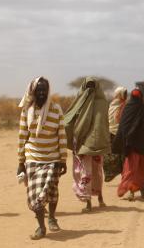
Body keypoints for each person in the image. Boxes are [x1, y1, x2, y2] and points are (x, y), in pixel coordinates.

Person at [17, 77, 67, 240]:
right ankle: (41, 226)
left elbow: (61, 134)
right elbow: (22, 136)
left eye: (44, 89)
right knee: (34, 195)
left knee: (52, 191)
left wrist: (63, 159)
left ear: (48, 90)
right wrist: (20, 162)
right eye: (38, 90)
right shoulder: (26, 110)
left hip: (52, 158)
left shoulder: (56, 109)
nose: (42, 92)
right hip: (32, 158)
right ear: (32, 91)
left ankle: (52, 217)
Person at [64, 77, 111, 212]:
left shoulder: (80, 102)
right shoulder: (103, 103)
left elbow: (69, 120)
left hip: (82, 143)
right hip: (97, 143)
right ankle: (100, 198)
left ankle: (89, 202)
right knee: (96, 171)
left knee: (86, 172)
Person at [113, 89, 144, 201]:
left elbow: (123, 126)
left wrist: (123, 140)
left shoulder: (127, 108)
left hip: (131, 144)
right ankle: (139, 192)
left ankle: (127, 190)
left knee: (131, 169)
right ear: (141, 97)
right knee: (141, 168)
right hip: (143, 144)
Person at [104, 87, 128, 182]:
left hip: (111, 133)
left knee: (112, 155)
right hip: (120, 134)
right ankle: (123, 175)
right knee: (122, 156)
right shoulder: (124, 106)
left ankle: (113, 173)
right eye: (125, 94)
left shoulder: (111, 105)